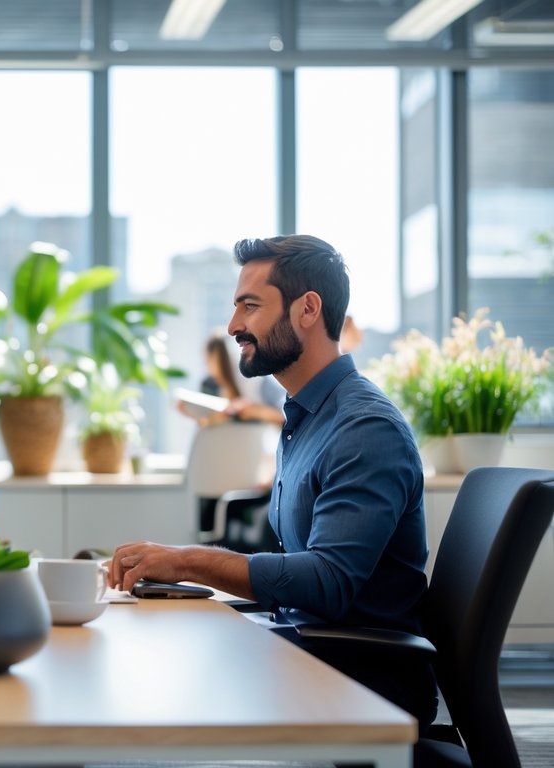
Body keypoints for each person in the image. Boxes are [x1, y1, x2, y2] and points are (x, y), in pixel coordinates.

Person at [109, 235, 437, 727]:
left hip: (360, 682)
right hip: (308, 652)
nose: (233, 326)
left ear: (308, 309)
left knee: (144, 692)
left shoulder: (365, 429)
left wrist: (188, 561)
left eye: (250, 306)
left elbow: (327, 581)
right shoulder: (307, 417)